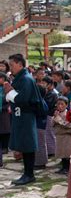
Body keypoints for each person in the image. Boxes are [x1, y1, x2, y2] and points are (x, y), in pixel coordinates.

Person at [4, 54, 42, 186]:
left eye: (12, 65)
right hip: (20, 115)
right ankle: (27, 173)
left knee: (27, 144)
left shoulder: (26, 79)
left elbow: (23, 99)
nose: (11, 68)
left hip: (26, 115)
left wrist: (10, 92)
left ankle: (29, 174)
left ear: (20, 64)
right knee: (24, 143)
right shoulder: (20, 78)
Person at [52, 97, 71, 175]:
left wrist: (58, 119)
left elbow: (69, 125)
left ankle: (68, 168)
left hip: (66, 137)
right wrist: (54, 118)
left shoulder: (68, 114)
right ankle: (63, 167)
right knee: (62, 153)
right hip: (59, 136)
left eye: (62, 104)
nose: (60, 106)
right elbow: (52, 124)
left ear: (66, 105)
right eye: (58, 104)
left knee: (67, 154)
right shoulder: (56, 113)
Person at [0, 72, 11, 168]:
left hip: (5, 111)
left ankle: (5, 147)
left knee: (5, 129)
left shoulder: (6, 88)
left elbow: (9, 100)